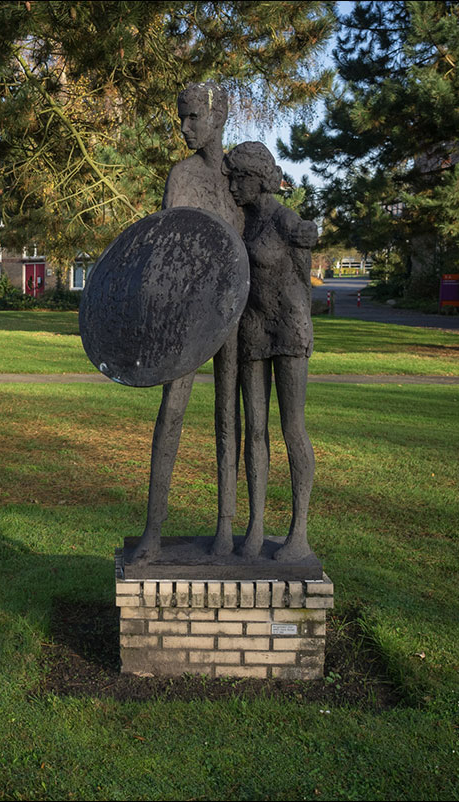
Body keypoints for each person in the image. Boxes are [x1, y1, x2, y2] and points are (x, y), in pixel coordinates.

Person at [130, 82, 245, 565]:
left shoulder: (240, 178)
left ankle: (226, 529)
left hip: (234, 313)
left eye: (194, 117)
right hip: (187, 315)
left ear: (218, 117)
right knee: (171, 412)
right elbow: (166, 248)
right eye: (182, 117)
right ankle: (153, 532)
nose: (184, 127)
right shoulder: (181, 176)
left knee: (228, 415)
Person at [227, 141, 318, 562]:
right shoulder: (241, 221)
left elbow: (303, 279)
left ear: (260, 179)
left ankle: (298, 532)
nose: (233, 186)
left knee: (291, 428)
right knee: (255, 429)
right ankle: (256, 524)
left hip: (289, 326)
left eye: (239, 178)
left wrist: (309, 239)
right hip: (253, 327)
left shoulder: (285, 221)